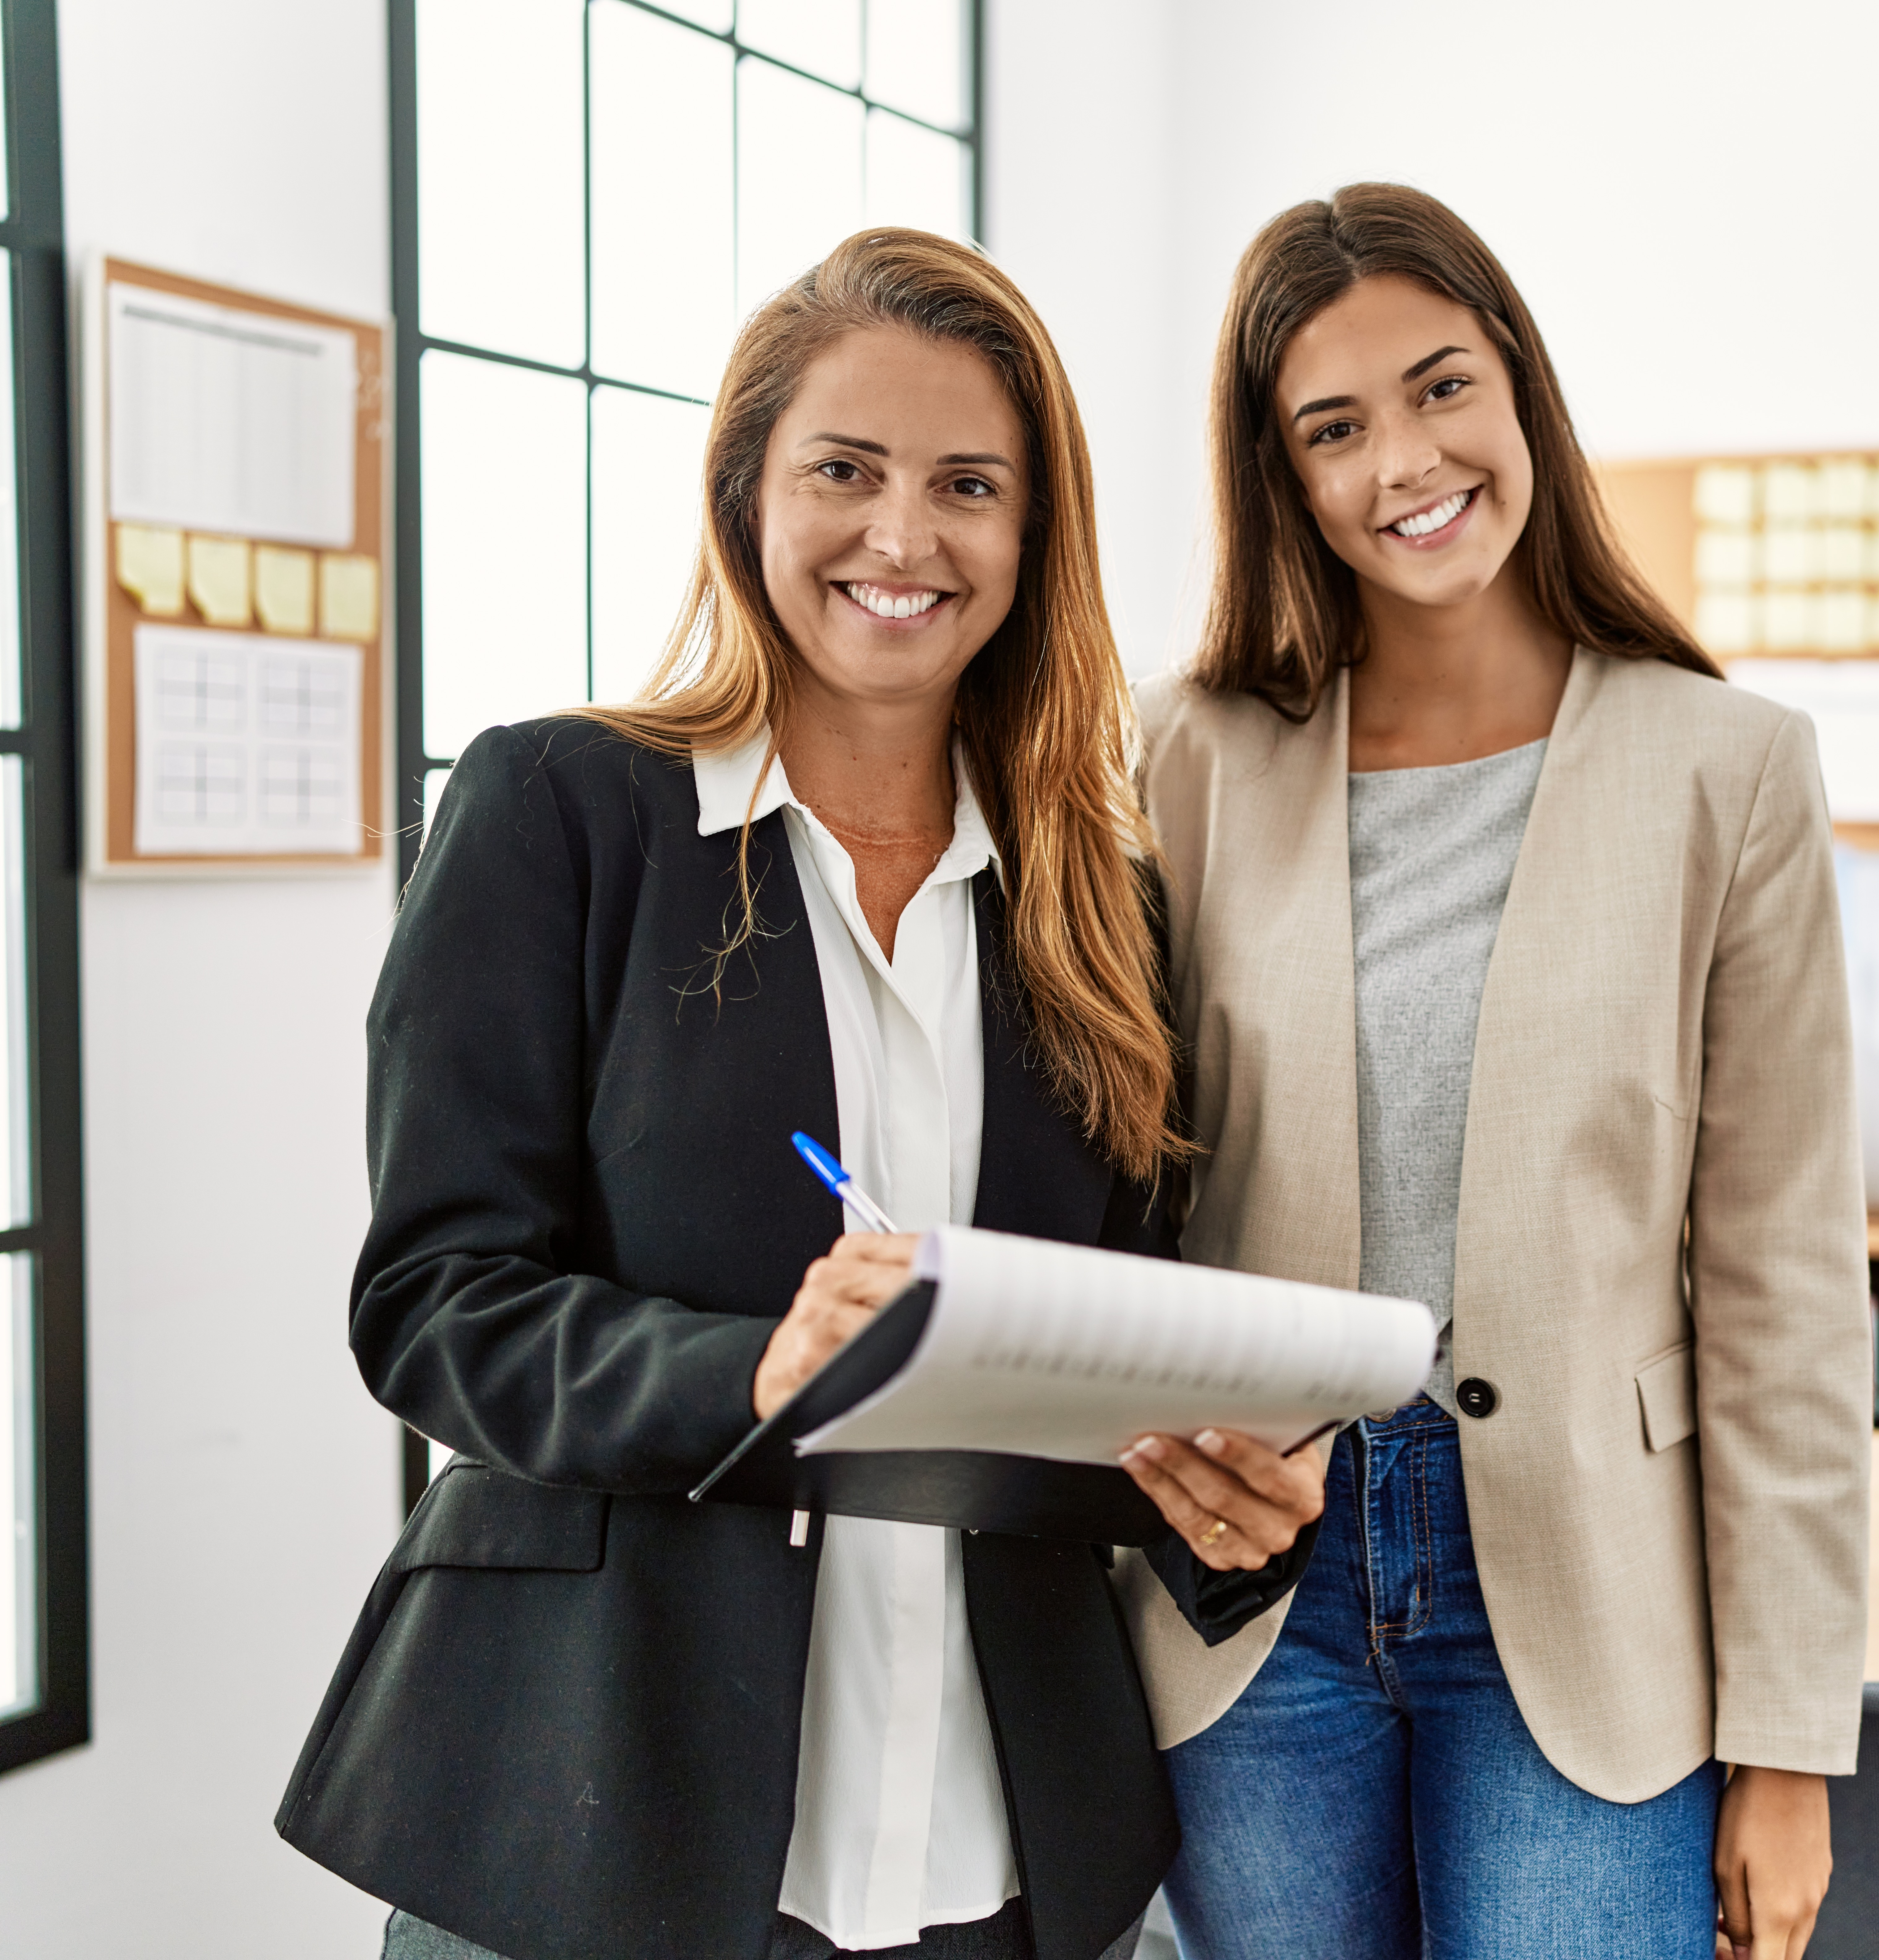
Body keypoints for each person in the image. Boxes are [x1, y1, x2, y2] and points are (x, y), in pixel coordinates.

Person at [275, 229, 1324, 1960]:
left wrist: (1218, 1512)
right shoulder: (562, 812)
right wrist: (751, 1369)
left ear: (1032, 537)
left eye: (969, 486)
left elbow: (1095, 1369)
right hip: (604, 1823)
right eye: (846, 470)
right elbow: (431, 1305)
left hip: (1002, 1847)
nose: (903, 538)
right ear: (749, 489)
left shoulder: (1098, 904)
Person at [1117, 185, 1870, 1960]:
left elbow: (1782, 1287)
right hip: (1255, 1601)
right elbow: (1113, 1192)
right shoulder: (1189, 756)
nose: (1407, 460)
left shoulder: (1730, 770)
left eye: (1442, 386)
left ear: (1521, 385)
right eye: (1335, 428)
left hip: (1590, 1594)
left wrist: (1787, 1743)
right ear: (1284, 477)